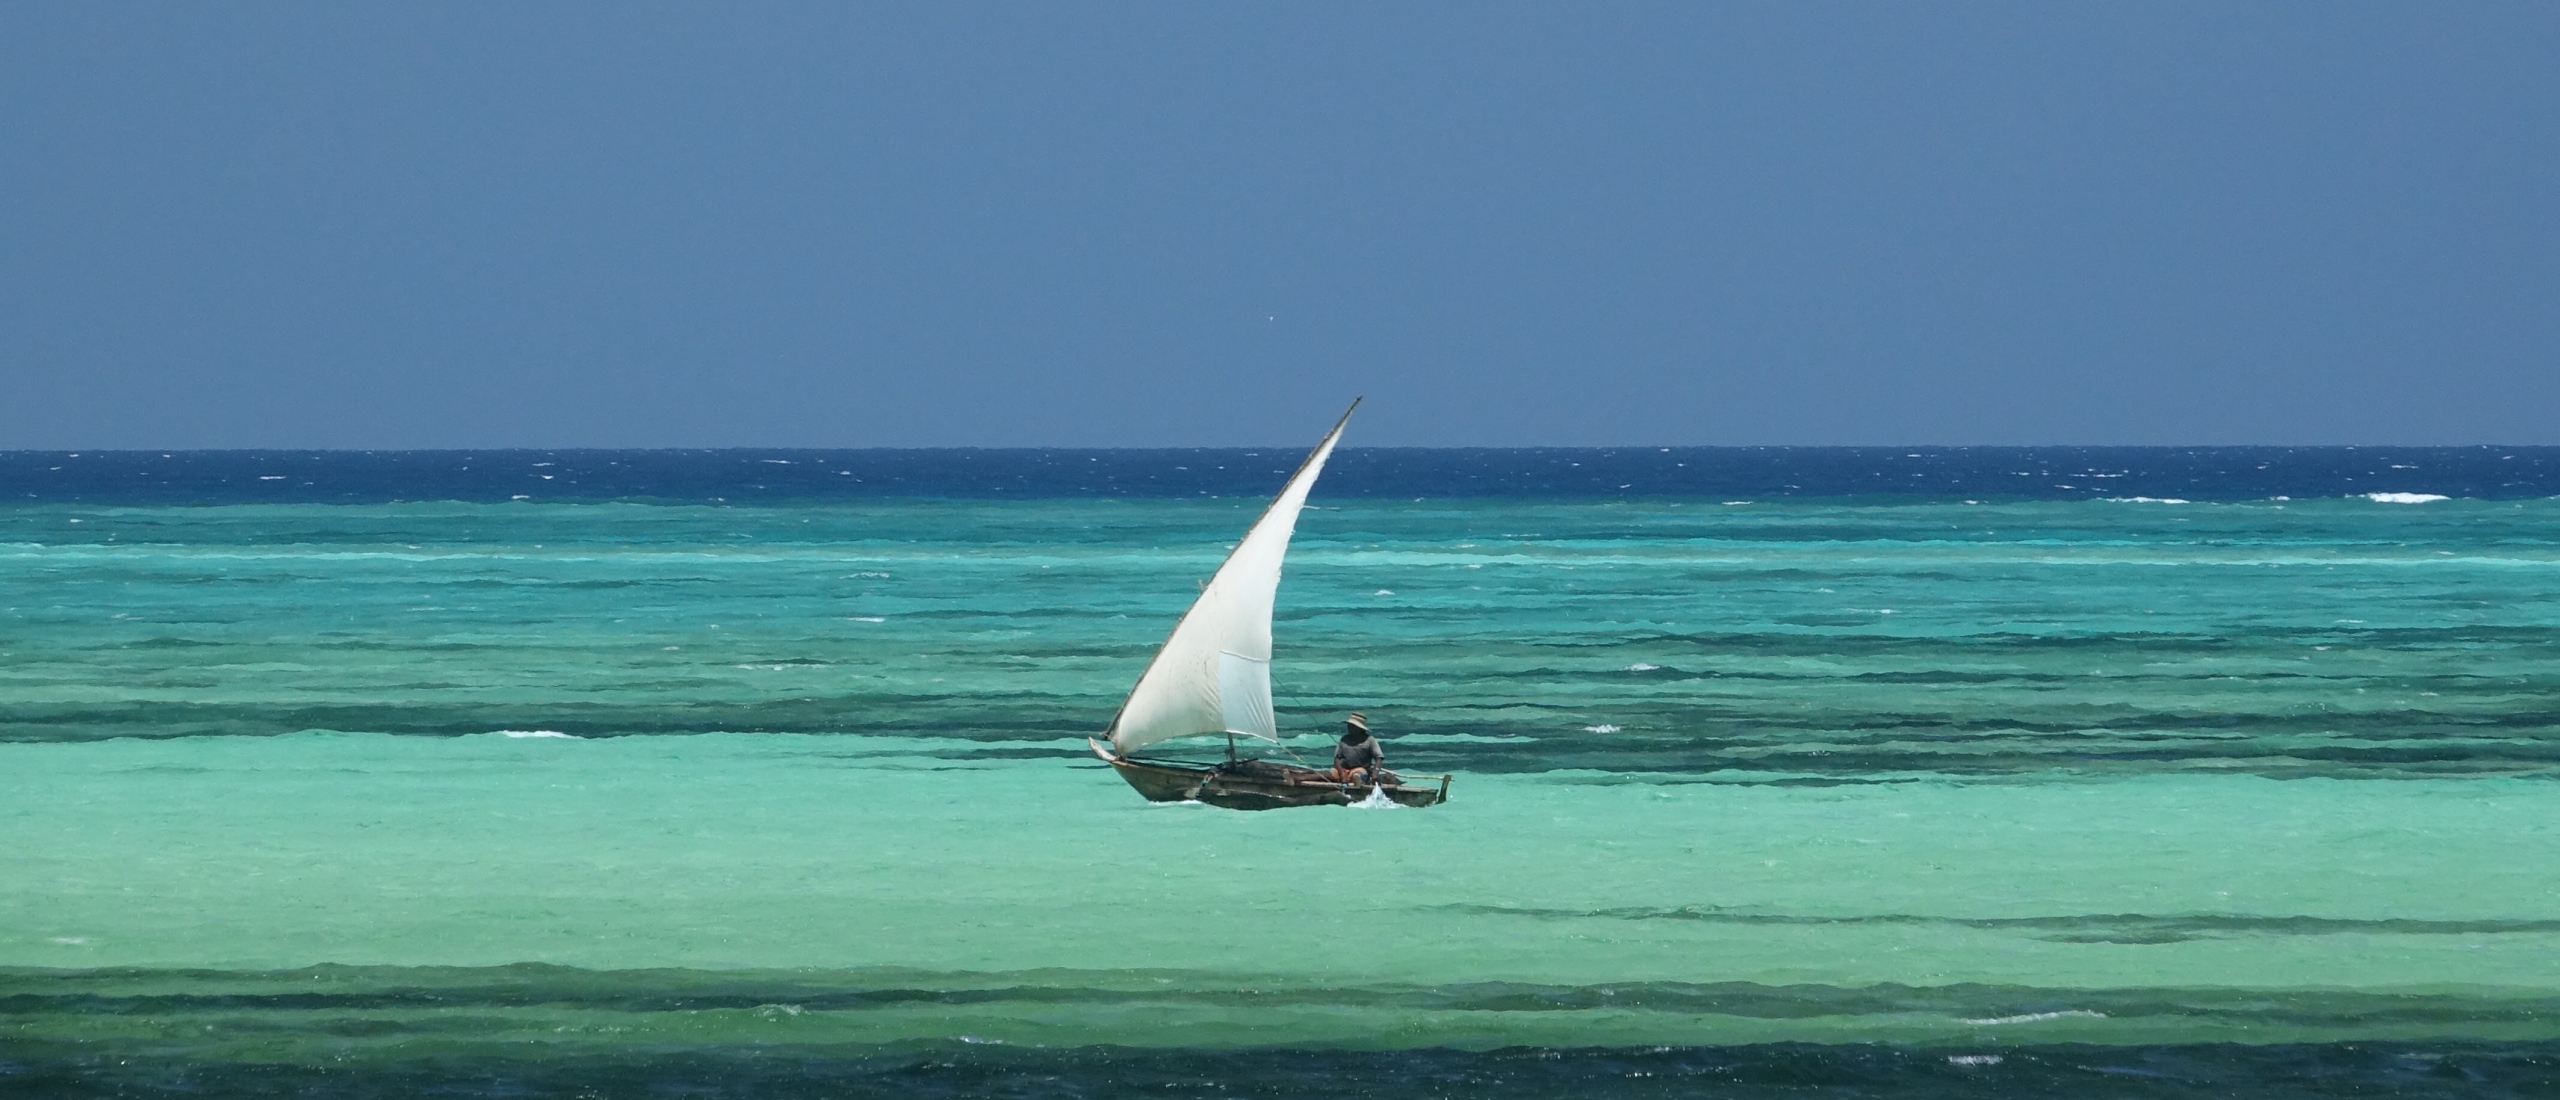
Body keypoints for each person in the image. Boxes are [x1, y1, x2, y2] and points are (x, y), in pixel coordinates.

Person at [1331, 712, 1387, 785]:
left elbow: (1379, 758)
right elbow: (1337, 759)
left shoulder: (1369, 740)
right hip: (1343, 770)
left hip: (1359, 769)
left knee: (1357, 775)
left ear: (1359, 728)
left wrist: (1375, 773)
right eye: (1349, 725)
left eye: (1352, 726)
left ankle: (1357, 782)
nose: (1348, 727)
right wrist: (1342, 773)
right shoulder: (1344, 739)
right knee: (1330, 774)